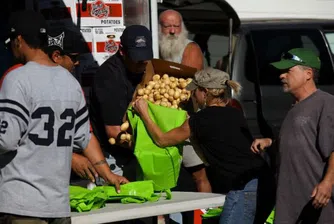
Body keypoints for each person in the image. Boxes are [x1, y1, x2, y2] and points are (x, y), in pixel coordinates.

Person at [133, 67, 270, 224]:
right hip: (265, 182)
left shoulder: (200, 120)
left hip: (244, 188)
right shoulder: (235, 113)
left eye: (195, 91)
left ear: (205, 93)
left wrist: (144, 113)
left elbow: (162, 140)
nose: (193, 96)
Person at [0, 10, 90, 223]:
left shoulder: (17, 78)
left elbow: (5, 140)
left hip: (22, 204)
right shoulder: (71, 83)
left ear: (19, 40)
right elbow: (83, 138)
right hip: (58, 205)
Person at [251, 48, 334, 223]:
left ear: (308, 74)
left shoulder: (325, 104)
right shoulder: (295, 108)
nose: (281, 76)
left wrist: (327, 184)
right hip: (290, 206)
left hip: (316, 205)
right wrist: (270, 142)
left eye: (288, 70)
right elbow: (300, 143)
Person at [46, 27, 129, 187]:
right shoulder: (21, 80)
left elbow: (85, 135)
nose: (77, 63)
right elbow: (21, 137)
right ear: (56, 56)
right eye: (74, 57)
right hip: (30, 180)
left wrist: (108, 174)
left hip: (65, 177)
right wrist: (70, 157)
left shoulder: (72, 86)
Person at [89, 25, 154, 181]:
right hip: (114, 161)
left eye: (145, 57)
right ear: (122, 51)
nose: (142, 63)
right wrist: (155, 143)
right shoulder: (108, 77)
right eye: (136, 58)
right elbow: (114, 132)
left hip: (137, 155)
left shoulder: (147, 68)